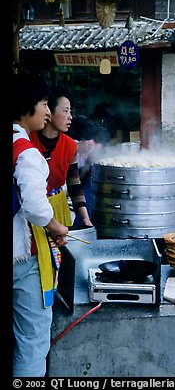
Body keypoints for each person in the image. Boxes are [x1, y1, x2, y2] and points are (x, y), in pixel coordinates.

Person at [13, 73, 68, 377]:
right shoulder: (26, 151)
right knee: (32, 339)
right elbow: (34, 205)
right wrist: (56, 226)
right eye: (44, 103)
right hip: (20, 257)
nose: (48, 111)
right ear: (26, 107)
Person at [29, 86, 93, 228]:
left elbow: (74, 184)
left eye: (71, 111)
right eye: (65, 111)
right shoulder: (28, 140)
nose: (70, 116)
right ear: (49, 112)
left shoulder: (70, 145)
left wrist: (85, 217)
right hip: (33, 210)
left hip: (58, 208)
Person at [67, 115, 110, 227]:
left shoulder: (93, 142)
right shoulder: (68, 145)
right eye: (84, 141)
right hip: (73, 175)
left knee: (86, 198)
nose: (88, 144)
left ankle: (85, 224)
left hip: (86, 172)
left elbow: (85, 168)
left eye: (90, 140)